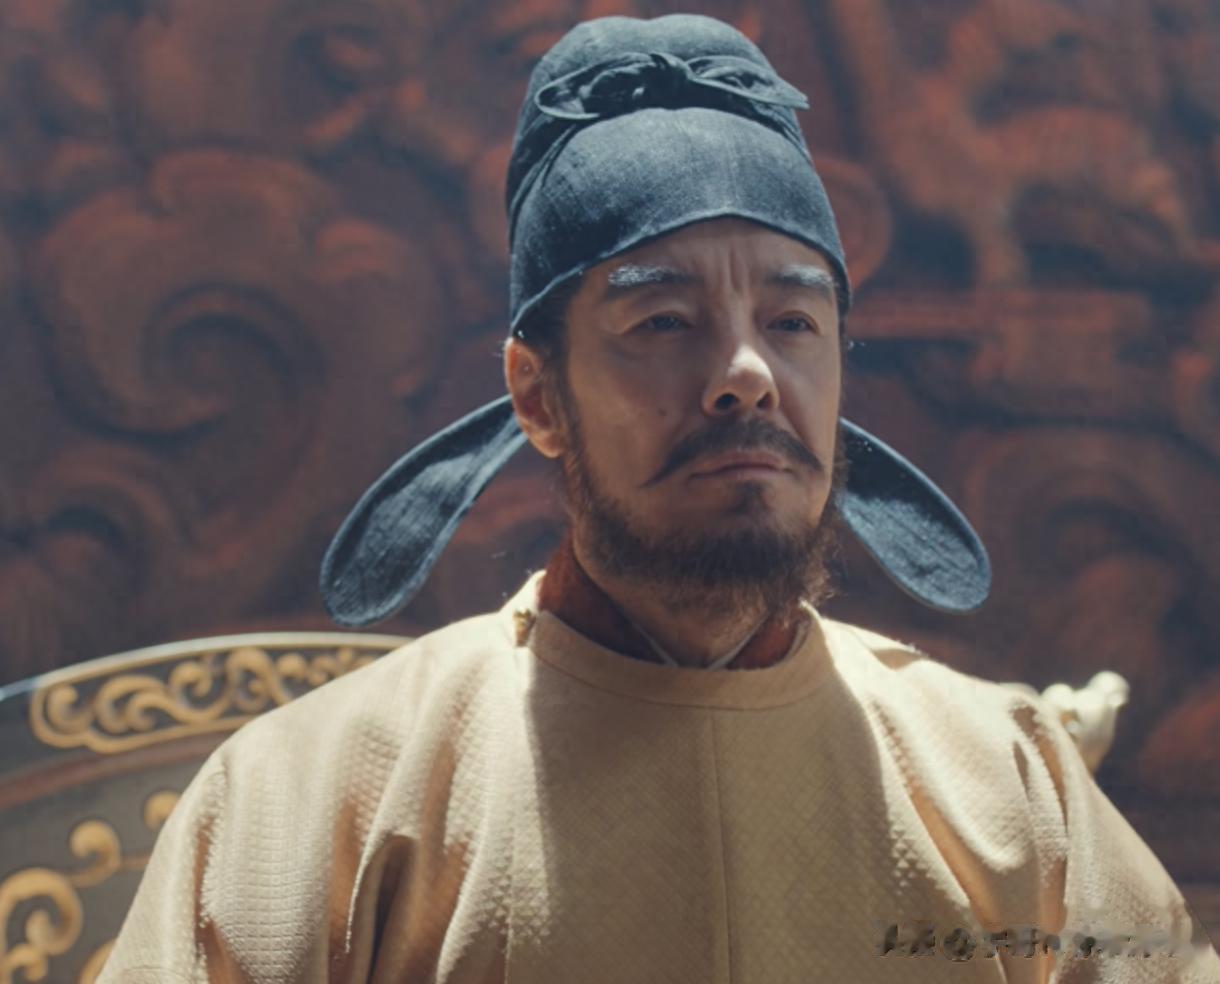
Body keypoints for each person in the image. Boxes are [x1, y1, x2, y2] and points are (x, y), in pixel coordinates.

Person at [99, 13, 1219, 983]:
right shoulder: (316, 800)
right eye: (663, 321)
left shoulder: (1009, 786)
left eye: (791, 321)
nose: (746, 374)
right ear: (537, 396)